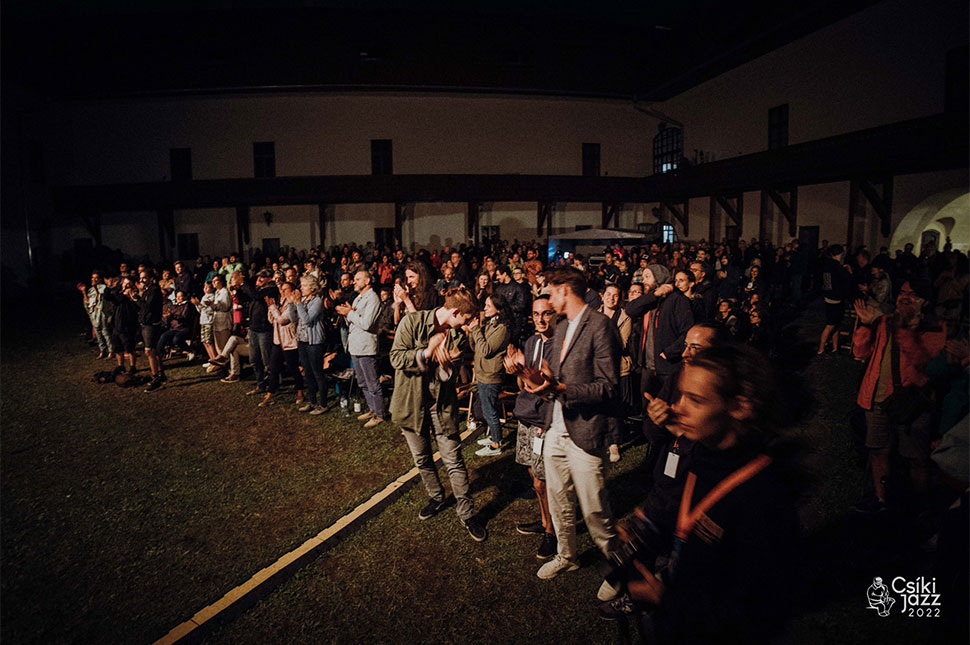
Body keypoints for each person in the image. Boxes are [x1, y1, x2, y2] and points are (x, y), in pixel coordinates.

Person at [606, 344, 800, 644]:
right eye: (682, 395)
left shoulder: (762, 495)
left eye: (696, 400)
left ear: (740, 406)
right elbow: (692, 521)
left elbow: (757, 609)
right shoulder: (705, 454)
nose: (678, 407)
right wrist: (646, 531)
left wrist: (667, 600)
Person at [522, 267, 620, 597]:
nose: (549, 299)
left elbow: (609, 386)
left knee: (594, 509)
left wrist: (564, 389)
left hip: (586, 430)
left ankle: (619, 570)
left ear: (565, 290)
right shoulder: (562, 326)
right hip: (556, 427)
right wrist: (541, 380)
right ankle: (567, 556)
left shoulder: (600, 325)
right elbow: (556, 377)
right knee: (559, 499)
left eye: (551, 292)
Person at [389, 287, 487, 542]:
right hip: (411, 404)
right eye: (466, 319)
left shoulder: (457, 336)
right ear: (455, 312)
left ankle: (467, 514)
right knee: (422, 458)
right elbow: (396, 358)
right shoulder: (412, 322)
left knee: (453, 459)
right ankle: (436, 497)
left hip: (440, 406)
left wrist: (446, 365)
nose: (467, 324)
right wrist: (425, 353)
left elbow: (449, 376)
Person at [851, 281, 946, 513]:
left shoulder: (935, 328)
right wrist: (865, 324)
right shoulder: (884, 322)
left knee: (915, 458)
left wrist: (906, 329)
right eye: (903, 292)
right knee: (878, 451)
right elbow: (860, 351)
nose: (905, 297)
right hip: (876, 398)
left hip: (912, 403)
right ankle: (881, 500)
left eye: (913, 294)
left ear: (925, 301)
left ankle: (919, 506)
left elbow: (925, 364)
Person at [506, 295, 559, 559]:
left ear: (556, 314)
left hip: (543, 420)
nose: (540, 319)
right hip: (525, 416)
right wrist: (516, 370)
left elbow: (550, 390)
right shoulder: (531, 341)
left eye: (546, 313)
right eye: (536, 314)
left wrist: (523, 373)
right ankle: (544, 520)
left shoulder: (559, 346)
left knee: (543, 480)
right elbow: (524, 385)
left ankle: (553, 532)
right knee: (533, 477)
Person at [335, 270, 385, 428]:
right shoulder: (358, 298)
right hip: (355, 345)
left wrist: (349, 313)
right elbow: (353, 322)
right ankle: (372, 409)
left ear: (367, 281)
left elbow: (367, 323)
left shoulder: (373, 299)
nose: (354, 282)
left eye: (357, 279)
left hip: (366, 346)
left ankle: (379, 414)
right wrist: (346, 313)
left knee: (372, 381)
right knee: (362, 381)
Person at [470, 293, 511, 457]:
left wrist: (475, 330)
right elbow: (476, 347)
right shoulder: (490, 324)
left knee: (490, 411)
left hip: (490, 376)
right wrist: (473, 331)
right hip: (482, 373)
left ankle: (496, 445)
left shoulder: (502, 329)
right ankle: (495, 436)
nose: (485, 308)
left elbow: (486, 350)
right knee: (487, 410)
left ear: (498, 309)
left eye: (488, 305)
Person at [261, 281, 305, 407]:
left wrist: (272, 307)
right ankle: (270, 393)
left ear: (292, 291)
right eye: (281, 289)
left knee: (293, 368)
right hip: (277, 341)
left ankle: (300, 391)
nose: (282, 291)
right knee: (273, 368)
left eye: (285, 289)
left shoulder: (293, 304)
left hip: (289, 342)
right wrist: (271, 307)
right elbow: (271, 320)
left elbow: (282, 320)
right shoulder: (280, 302)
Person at [292, 275, 329, 415]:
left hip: (314, 342)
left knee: (317, 372)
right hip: (302, 341)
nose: (301, 288)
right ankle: (312, 401)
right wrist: (291, 304)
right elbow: (294, 318)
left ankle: (323, 403)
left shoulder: (317, 301)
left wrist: (298, 304)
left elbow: (307, 320)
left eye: (304, 286)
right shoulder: (302, 300)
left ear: (312, 288)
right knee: (307, 373)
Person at [137, 269, 166, 392]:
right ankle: (161, 374)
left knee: (149, 351)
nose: (142, 280)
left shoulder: (154, 290)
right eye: (141, 278)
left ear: (150, 278)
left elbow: (148, 307)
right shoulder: (147, 291)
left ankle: (155, 378)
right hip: (147, 323)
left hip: (151, 324)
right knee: (154, 350)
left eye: (144, 278)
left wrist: (138, 298)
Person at [77, 270, 112, 359]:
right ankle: (102, 350)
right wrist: (84, 292)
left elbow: (102, 298)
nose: (94, 279)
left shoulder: (103, 288)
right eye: (93, 277)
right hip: (94, 313)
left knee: (105, 332)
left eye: (96, 278)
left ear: (100, 279)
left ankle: (111, 351)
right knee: (97, 332)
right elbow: (87, 302)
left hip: (102, 312)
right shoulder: (90, 290)